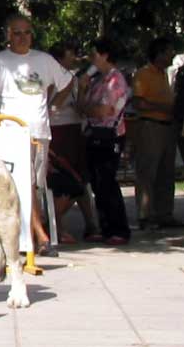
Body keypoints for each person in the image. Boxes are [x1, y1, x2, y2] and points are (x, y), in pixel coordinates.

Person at [0, 13, 72, 255]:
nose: (22, 37)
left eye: (26, 32)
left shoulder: (44, 60)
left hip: (40, 133)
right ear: (9, 36)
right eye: (17, 33)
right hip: (13, 134)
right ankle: (40, 237)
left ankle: (31, 237)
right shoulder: (0, 61)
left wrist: (54, 106)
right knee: (24, 184)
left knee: (35, 186)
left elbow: (68, 82)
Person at [78, 37, 131, 245]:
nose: (91, 60)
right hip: (94, 133)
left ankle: (119, 228)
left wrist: (88, 109)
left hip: (110, 135)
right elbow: (82, 106)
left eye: (94, 54)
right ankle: (105, 226)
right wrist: (82, 89)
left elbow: (103, 110)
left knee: (108, 181)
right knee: (97, 183)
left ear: (104, 55)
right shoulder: (99, 80)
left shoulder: (115, 80)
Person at [48, 43, 100, 243]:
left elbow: (80, 108)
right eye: (70, 53)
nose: (74, 58)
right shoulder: (51, 77)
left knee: (81, 179)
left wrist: (81, 89)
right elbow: (49, 105)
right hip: (57, 130)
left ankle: (91, 223)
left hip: (74, 129)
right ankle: (56, 226)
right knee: (64, 181)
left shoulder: (74, 77)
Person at [132, 37, 182, 229]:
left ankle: (164, 214)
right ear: (159, 53)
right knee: (147, 172)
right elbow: (138, 102)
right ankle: (145, 216)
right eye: (169, 51)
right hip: (150, 126)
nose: (172, 55)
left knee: (166, 173)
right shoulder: (143, 74)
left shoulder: (165, 74)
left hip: (168, 128)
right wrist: (164, 107)